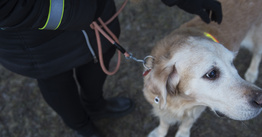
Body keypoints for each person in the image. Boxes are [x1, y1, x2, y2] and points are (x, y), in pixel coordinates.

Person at [0, 0, 222, 137]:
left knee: (97, 67)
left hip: (97, 21)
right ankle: (82, 126)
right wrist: (76, 10)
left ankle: (96, 105)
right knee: (56, 84)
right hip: (35, 42)